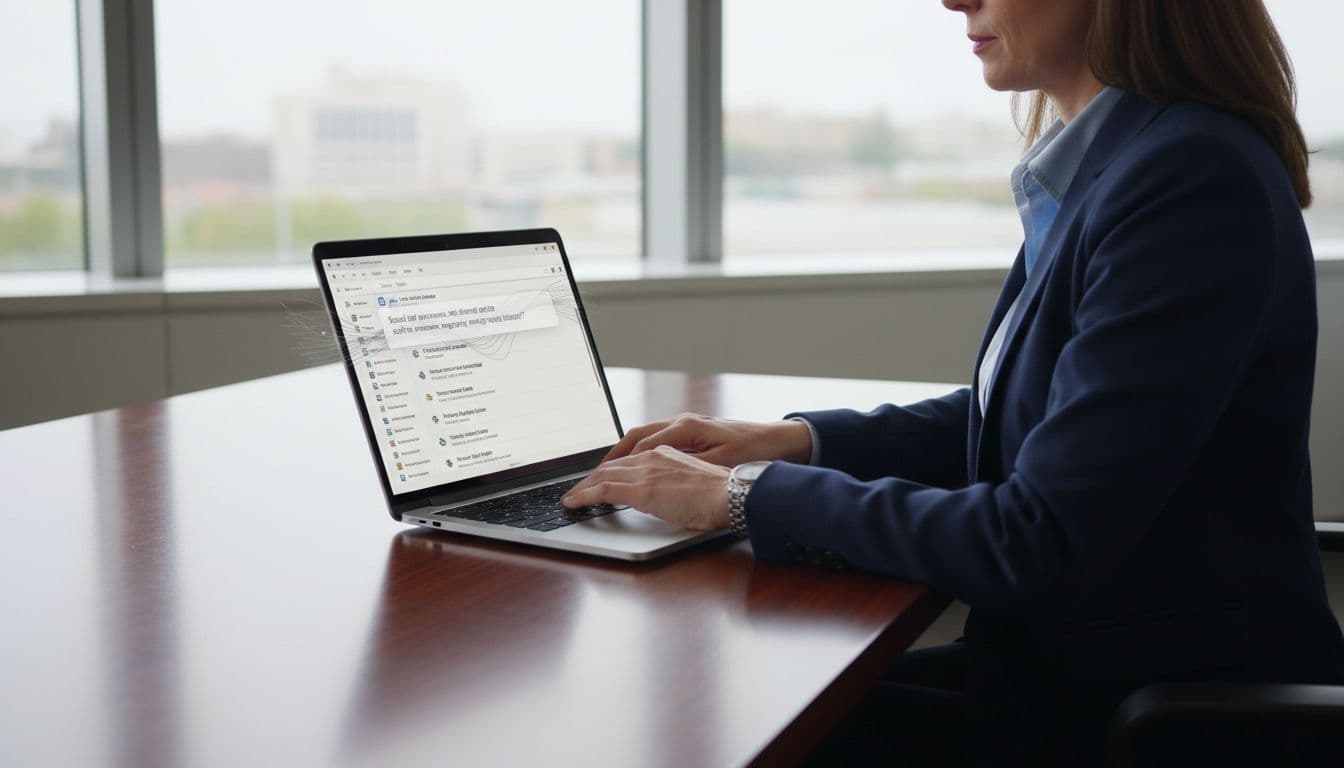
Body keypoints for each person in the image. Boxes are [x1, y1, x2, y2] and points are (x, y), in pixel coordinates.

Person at [562, 0, 1344, 763]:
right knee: (735, 711)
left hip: (1151, 713)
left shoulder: (1184, 176)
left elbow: (1035, 538)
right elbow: (1047, 414)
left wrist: (737, 495)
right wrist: (798, 442)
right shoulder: (1126, 160)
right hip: (1074, 671)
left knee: (705, 729)